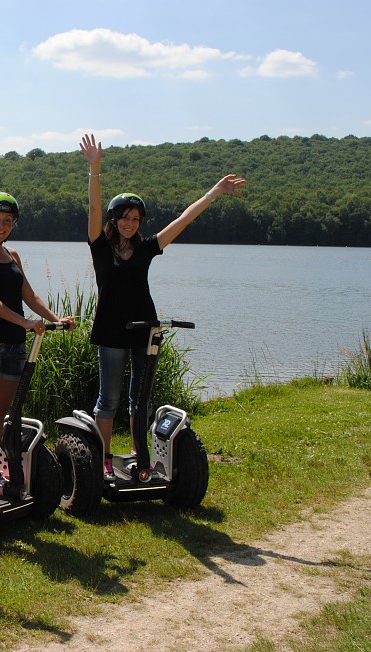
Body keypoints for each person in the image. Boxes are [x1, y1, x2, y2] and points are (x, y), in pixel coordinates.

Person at [79, 132, 246, 476]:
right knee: (108, 400)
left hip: (146, 329)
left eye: (136, 219)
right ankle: (104, 461)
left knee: (140, 400)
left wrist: (213, 193)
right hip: (111, 330)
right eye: (124, 217)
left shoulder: (146, 248)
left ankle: (140, 456)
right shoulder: (100, 246)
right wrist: (95, 168)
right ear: (113, 219)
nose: (130, 224)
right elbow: (94, 207)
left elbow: (182, 221)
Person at [0, 191, 74, 475]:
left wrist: (56, 319)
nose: (1, 225)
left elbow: (30, 296)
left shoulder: (12, 254)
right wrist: (25, 322)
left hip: (15, 345)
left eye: (7, 220)